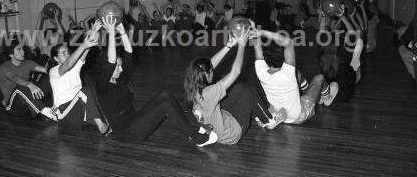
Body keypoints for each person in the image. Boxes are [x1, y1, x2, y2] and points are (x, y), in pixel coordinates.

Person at [90, 16, 217, 146]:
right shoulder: (102, 86)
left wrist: (122, 31)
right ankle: (197, 138)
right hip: (127, 133)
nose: (121, 68)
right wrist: (111, 33)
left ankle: (192, 130)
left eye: (120, 65)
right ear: (106, 68)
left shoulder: (119, 78)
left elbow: (129, 53)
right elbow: (111, 62)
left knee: (165, 93)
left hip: (135, 120)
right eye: (118, 66)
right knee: (165, 105)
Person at [183, 29, 275, 145]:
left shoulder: (192, 84)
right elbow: (235, 72)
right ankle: (268, 120)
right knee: (249, 91)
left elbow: (209, 66)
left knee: (237, 88)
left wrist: (228, 46)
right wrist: (241, 45)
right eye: (211, 72)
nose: (213, 72)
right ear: (206, 74)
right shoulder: (209, 93)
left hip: (217, 121)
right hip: (232, 134)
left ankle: (259, 113)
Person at [253, 29, 339, 124]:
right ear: (284, 58)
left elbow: (258, 49)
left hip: (281, 113)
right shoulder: (288, 73)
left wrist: (254, 34)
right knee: (319, 78)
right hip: (299, 116)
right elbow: (288, 42)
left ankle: (277, 114)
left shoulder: (261, 72)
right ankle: (327, 98)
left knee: (298, 75)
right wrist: (261, 32)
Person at [48, 21, 109, 132]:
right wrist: (84, 45)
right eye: (63, 53)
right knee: (85, 90)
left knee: (93, 93)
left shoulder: (74, 65)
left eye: (67, 52)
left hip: (76, 111)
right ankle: (101, 127)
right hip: (65, 113)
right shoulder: (54, 71)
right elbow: (67, 64)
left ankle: (100, 121)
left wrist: (93, 32)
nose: (67, 54)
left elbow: (85, 51)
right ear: (56, 59)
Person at [0, 41, 56, 121]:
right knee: (20, 88)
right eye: (19, 50)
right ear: (11, 54)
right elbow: (15, 78)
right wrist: (30, 85)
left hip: (28, 101)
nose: (23, 51)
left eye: (22, 49)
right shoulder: (4, 67)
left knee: (49, 77)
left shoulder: (27, 63)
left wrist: (59, 69)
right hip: (13, 106)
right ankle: (47, 112)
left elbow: (44, 70)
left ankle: (57, 104)